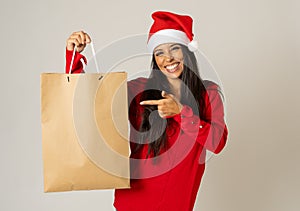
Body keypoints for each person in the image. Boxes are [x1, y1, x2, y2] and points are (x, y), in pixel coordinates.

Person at [65, 11, 228, 211]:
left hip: (177, 205)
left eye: (174, 49)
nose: (168, 58)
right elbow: (90, 102)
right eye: (159, 52)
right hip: (132, 203)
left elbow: (217, 142)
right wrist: (73, 58)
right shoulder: (139, 89)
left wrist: (180, 112)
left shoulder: (207, 94)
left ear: (187, 51)